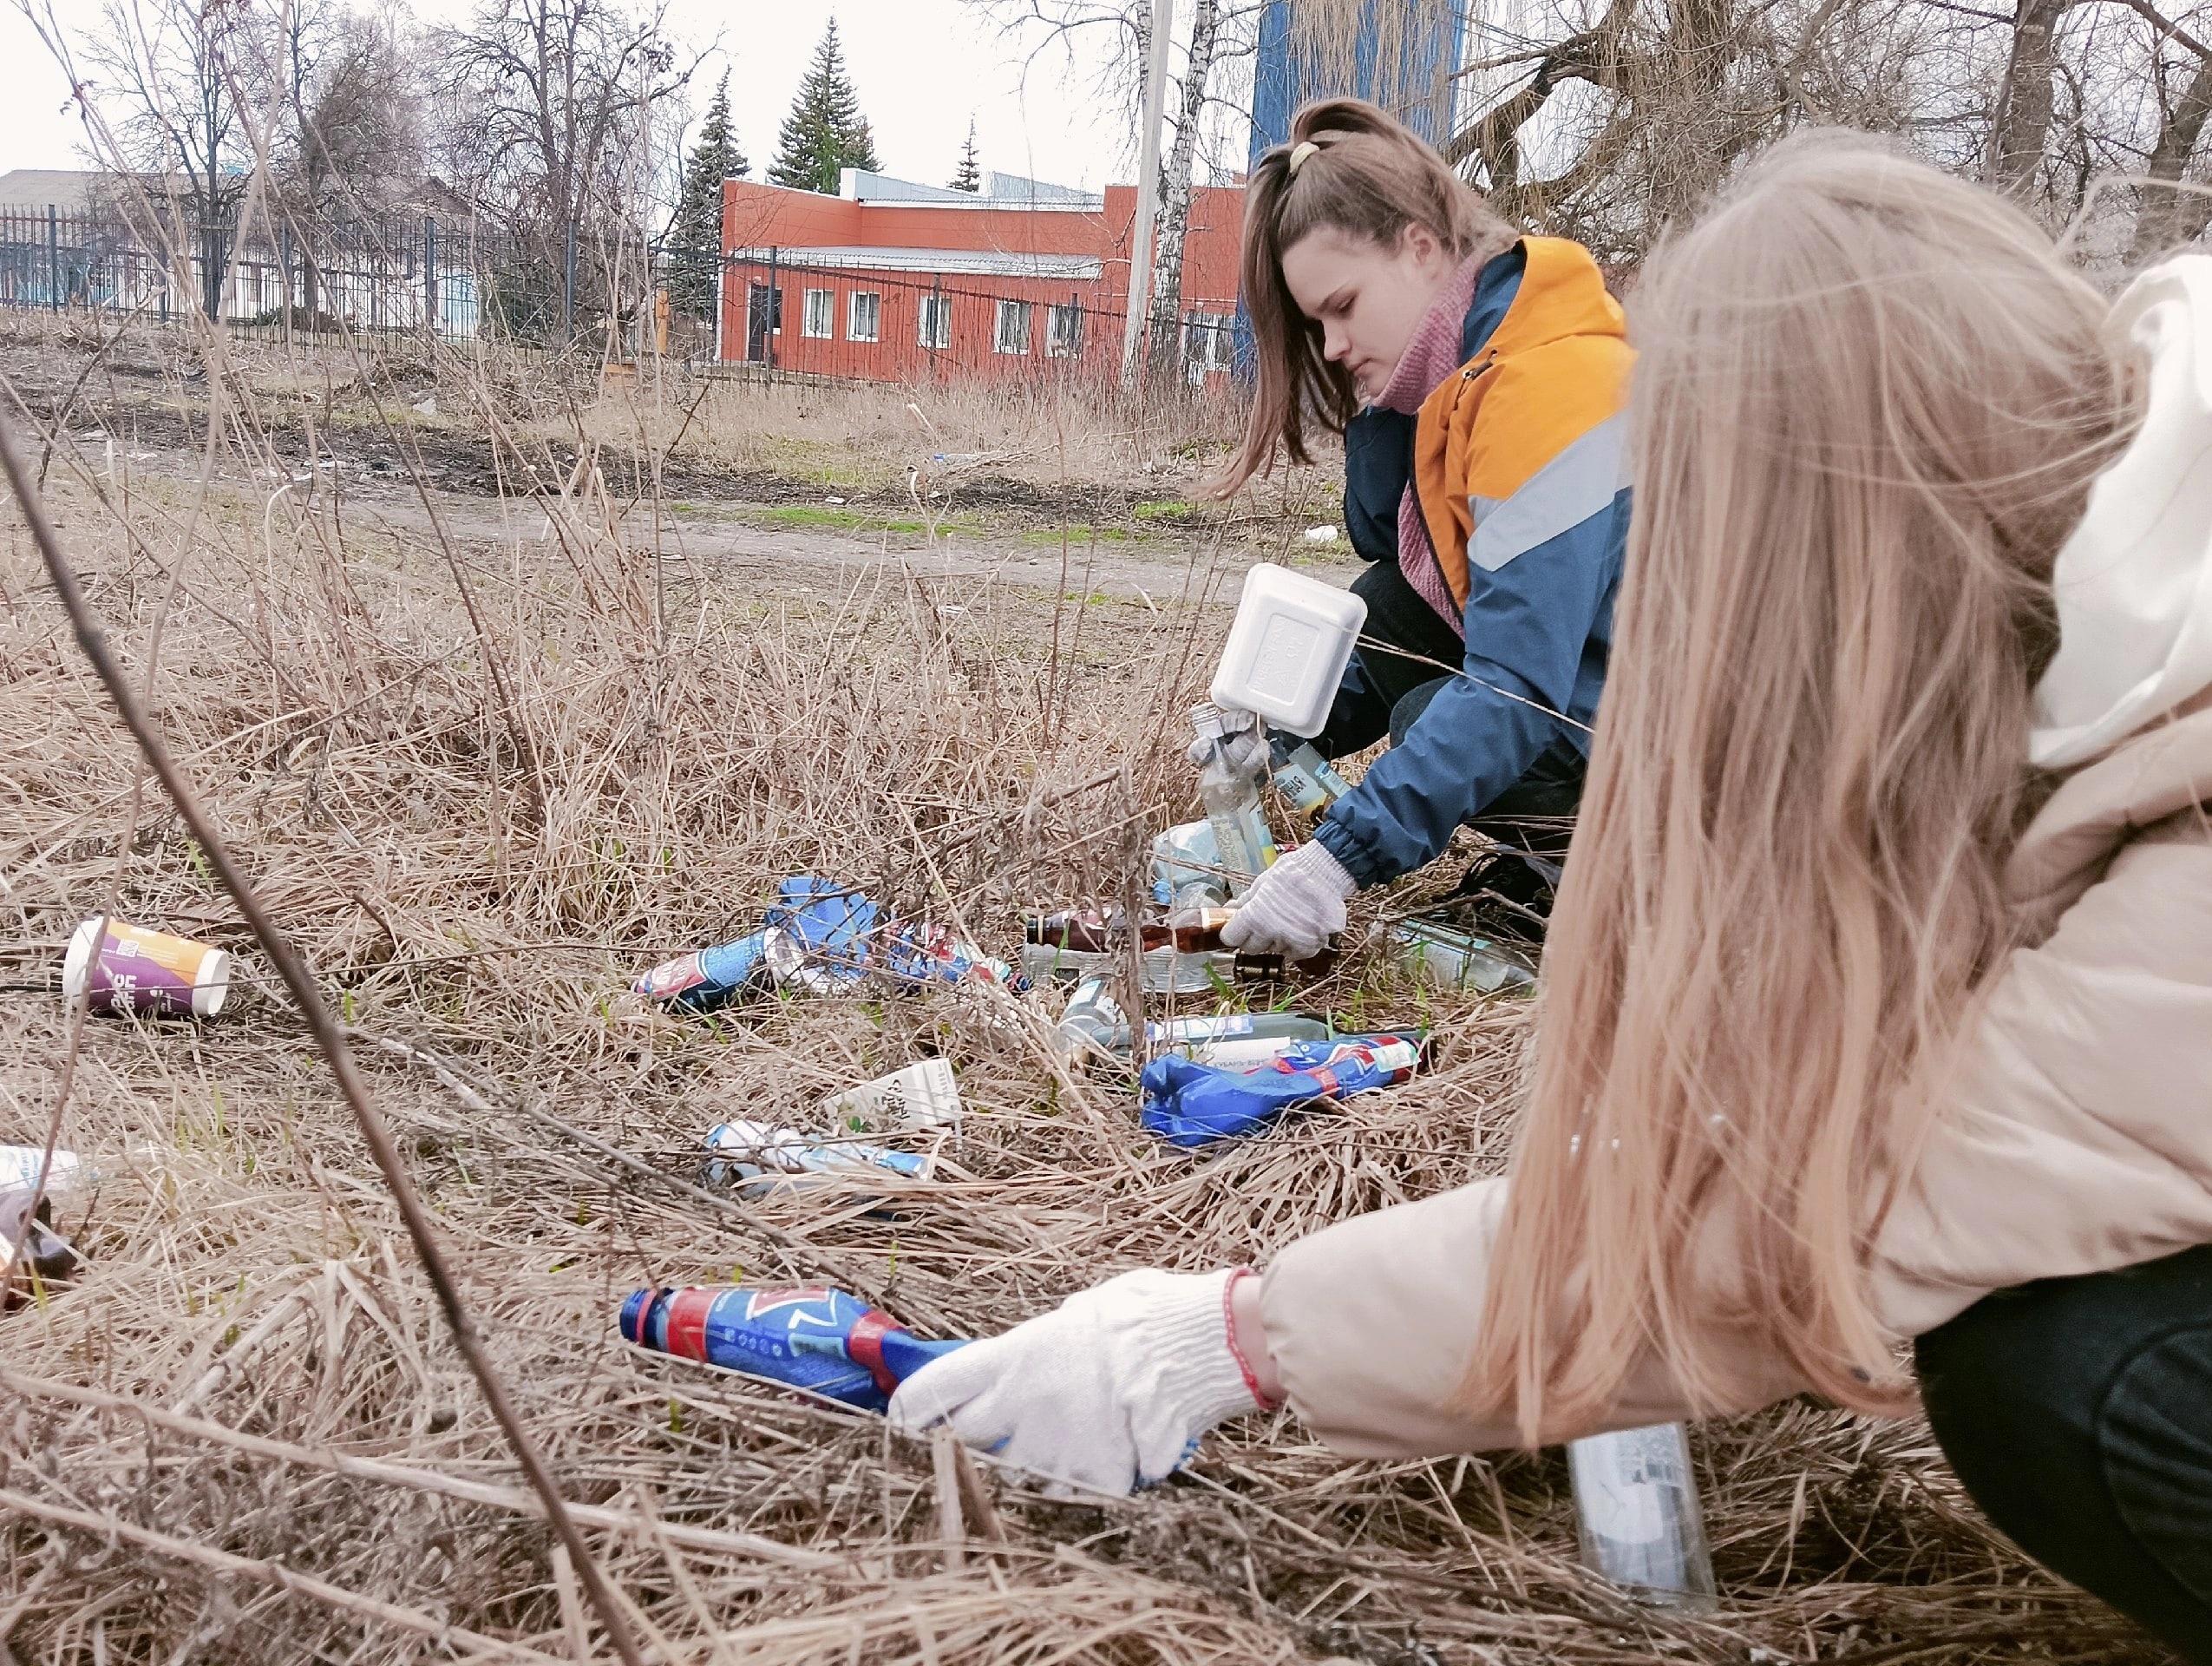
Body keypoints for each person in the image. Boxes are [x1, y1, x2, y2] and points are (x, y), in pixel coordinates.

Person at [893, 135, 2212, 1661]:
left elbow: (1810, 1217)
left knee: (2062, 1370)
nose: (1329, 349)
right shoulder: (2117, 639)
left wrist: (1230, 1340)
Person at [1201, 100, 1631, 961]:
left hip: (1702, 749)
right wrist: (1274, 728)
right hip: (1614, 690)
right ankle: (1556, 863)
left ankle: (1609, 881)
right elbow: (1411, 600)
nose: (1328, 345)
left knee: (1435, 713)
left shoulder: (1552, 387)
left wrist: (1339, 861)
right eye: (1316, 323)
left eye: (1344, 306)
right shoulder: (1459, 382)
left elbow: (1518, 688)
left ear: (1421, 248)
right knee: (1392, 603)